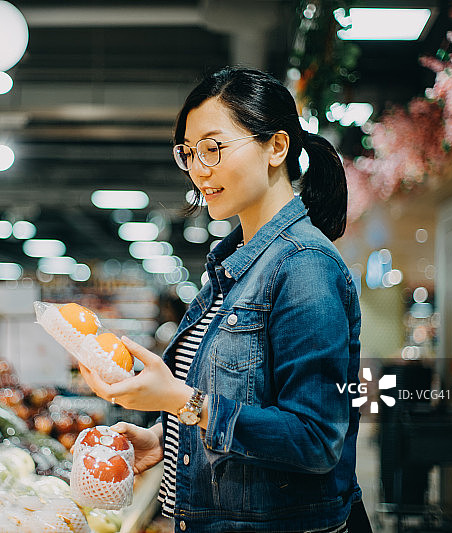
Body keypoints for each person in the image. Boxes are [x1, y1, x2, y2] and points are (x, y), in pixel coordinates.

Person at [79, 67, 369, 532]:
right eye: (189, 152)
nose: (198, 167)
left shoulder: (304, 265)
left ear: (276, 147)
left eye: (213, 147)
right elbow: (240, 402)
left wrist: (184, 403)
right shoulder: (232, 266)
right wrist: (163, 439)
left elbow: (315, 440)